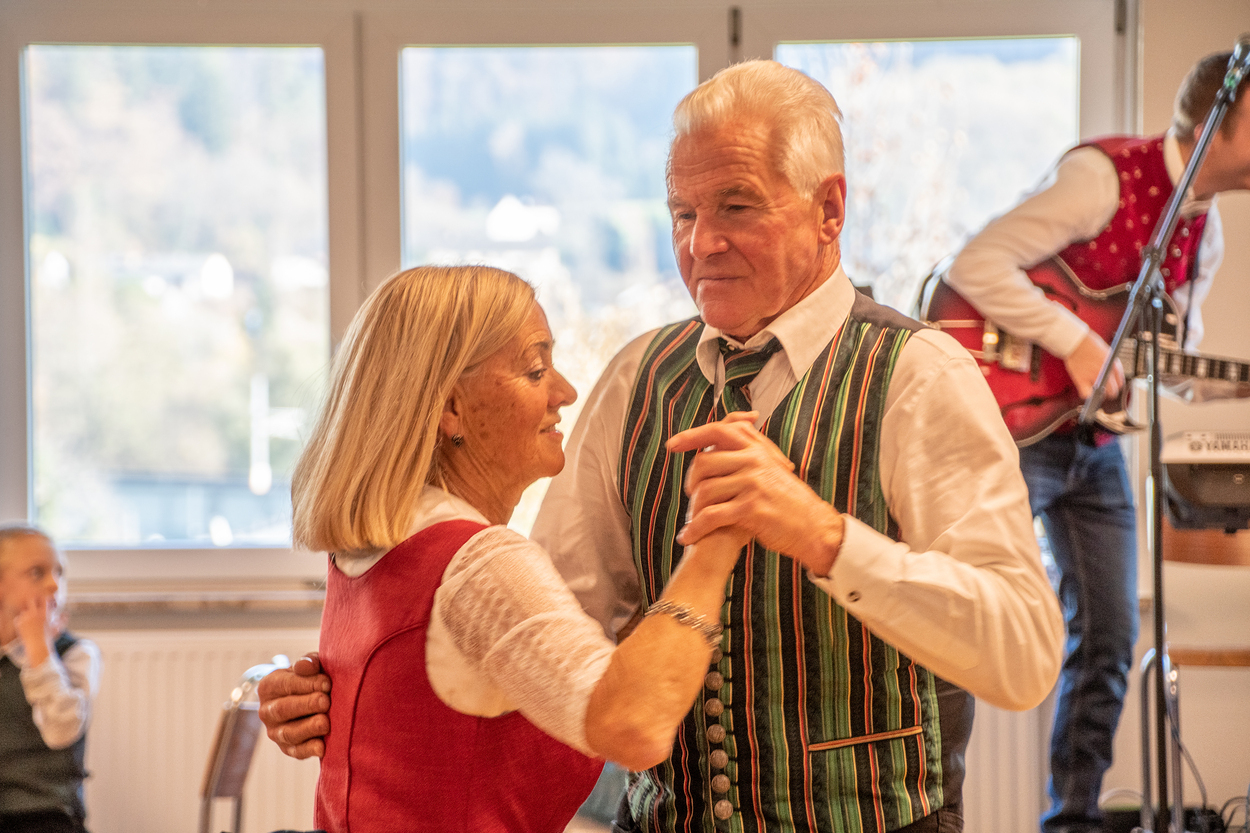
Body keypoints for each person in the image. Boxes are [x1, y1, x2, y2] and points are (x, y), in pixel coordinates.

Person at [263, 62, 1065, 833]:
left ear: (830, 209)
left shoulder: (919, 376)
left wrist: (825, 537)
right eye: (683, 213)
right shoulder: (635, 378)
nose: (702, 242)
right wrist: (353, 693)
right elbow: (543, 634)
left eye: (736, 206)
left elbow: (1025, 653)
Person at [289, 263, 758, 833]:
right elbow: (634, 726)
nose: (566, 393)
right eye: (536, 371)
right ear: (451, 407)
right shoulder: (478, 564)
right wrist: (715, 538)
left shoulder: (372, 547)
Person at [944, 50, 1250, 833]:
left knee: (1111, 635)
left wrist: (1218, 383)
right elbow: (974, 264)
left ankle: (1074, 819)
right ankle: (933, 809)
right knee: (964, 613)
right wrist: (1078, 343)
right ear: (1218, 120)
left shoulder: (1205, 232)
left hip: (1094, 441)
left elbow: (1173, 362)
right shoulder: (1105, 178)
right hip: (1015, 424)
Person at [0, 524, 102, 833]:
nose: (54, 584)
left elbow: (61, 731)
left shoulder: (76, 653)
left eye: (59, 572)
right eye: (37, 573)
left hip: (46, 815)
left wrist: (39, 650)